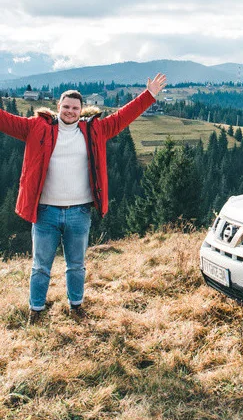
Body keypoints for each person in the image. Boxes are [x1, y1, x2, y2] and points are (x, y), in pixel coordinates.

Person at [0, 74, 167, 323]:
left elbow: (123, 117)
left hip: (79, 212)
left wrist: (149, 95)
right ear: (58, 107)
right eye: (66, 106)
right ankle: (36, 311)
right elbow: (4, 120)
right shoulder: (36, 128)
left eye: (75, 108)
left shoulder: (95, 130)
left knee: (76, 265)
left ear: (81, 110)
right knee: (40, 266)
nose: (70, 111)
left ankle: (76, 307)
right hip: (45, 212)